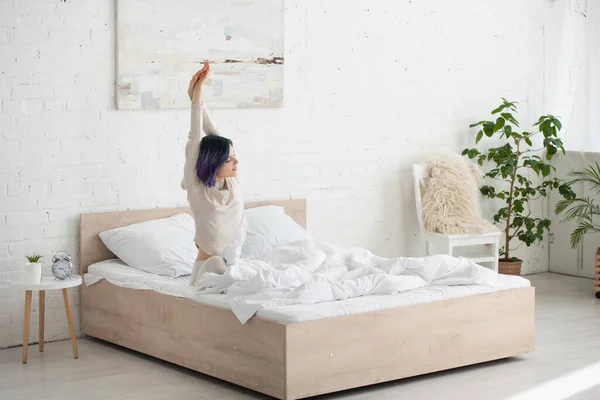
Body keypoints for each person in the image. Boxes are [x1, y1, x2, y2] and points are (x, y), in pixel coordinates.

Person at [183, 61, 246, 287]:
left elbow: (213, 134)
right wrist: (197, 95)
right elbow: (195, 138)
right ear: (213, 162)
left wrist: (197, 97)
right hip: (208, 269)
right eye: (228, 159)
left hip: (233, 266)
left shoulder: (232, 181)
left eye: (234, 155)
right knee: (218, 264)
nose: (235, 161)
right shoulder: (197, 187)